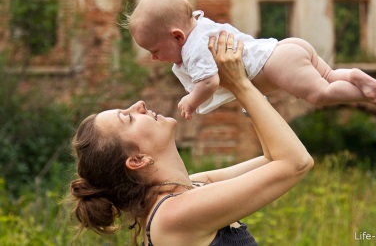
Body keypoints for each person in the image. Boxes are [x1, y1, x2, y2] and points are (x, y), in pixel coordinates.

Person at [69, 32, 314, 246]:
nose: (139, 105)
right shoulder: (172, 215)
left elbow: (273, 158)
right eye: (129, 118)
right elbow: (296, 163)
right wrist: (239, 84)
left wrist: (247, 84)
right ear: (137, 159)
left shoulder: (188, 188)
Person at [128, 0, 376, 120]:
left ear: (177, 36)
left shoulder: (194, 48)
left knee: (319, 95)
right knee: (329, 76)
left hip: (278, 62)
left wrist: (190, 101)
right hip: (286, 48)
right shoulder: (200, 25)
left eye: (155, 50)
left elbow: (209, 82)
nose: (153, 58)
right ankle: (352, 75)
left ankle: (365, 94)